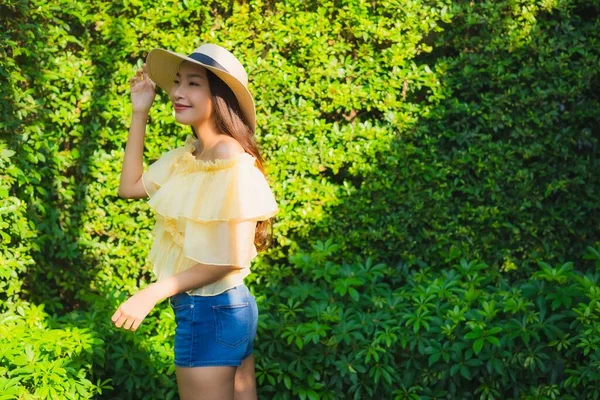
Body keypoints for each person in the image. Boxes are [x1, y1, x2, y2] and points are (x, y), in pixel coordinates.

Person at [112, 43, 278, 400]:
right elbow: (130, 187)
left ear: (219, 96)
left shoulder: (227, 156)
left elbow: (231, 256)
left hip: (211, 310)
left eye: (192, 83)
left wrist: (151, 293)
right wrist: (140, 110)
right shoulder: (191, 155)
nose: (176, 92)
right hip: (227, 307)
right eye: (176, 82)